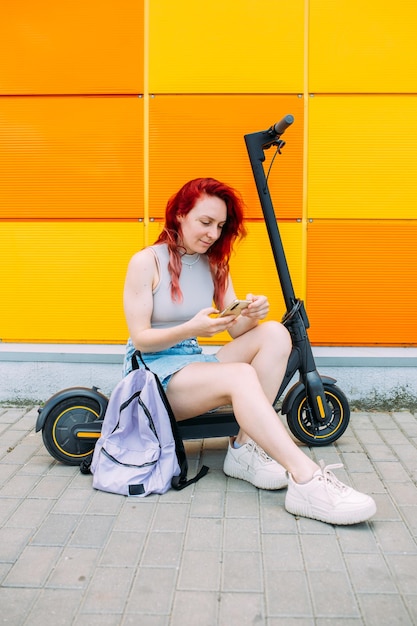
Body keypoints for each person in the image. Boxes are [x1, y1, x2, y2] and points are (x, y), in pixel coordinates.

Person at [123, 177, 376, 525]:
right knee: (240, 375)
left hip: (193, 364)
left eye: (221, 225)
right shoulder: (146, 262)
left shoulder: (215, 264)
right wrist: (191, 329)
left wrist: (252, 313)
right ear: (180, 214)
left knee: (274, 333)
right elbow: (141, 339)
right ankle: (306, 479)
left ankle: (244, 449)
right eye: (205, 222)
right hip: (152, 377)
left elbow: (236, 328)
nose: (213, 233)